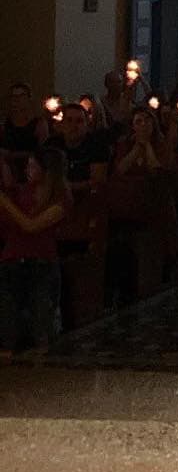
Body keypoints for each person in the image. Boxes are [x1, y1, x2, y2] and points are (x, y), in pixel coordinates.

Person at [0, 147, 70, 355]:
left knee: (41, 327)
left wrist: (4, 201)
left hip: (41, 263)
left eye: (32, 165)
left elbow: (31, 226)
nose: (27, 169)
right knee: (6, 323)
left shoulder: (61, 199)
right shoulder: (20, 192)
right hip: (11, 260)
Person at [46, 103, 109, 186]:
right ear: (62, 124)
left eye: (79, 121)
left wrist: (67, 187)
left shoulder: (97, 146)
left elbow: (98, 182)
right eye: (69, 120)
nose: (73, 126)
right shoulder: (52, 145)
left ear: (87, 126)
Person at [2, 83, 49, 157]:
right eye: (13, 96)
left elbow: (44, 151)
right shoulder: (4, 123)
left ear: (29, 98)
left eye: (21, 96)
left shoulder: (39, 124)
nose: (16, 99)